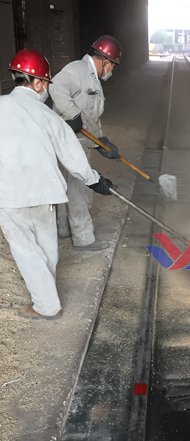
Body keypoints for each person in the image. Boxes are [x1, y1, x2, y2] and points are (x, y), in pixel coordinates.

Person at [0, 49, 114, 320]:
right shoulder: (50, 117)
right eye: (46, 83)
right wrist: (96, 180)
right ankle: (46, 299)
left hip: (10, 193)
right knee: (47, 247)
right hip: (46, 191)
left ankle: (46, 305)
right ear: (39, 83)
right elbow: (72, 155)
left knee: (26, 250)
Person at [49, 35, 121, 250]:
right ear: (106, 61)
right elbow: (55, 86)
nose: (112, 70)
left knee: (68, 186)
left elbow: (90, 116)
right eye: (113, 65)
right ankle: (83, 239)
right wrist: (71, 113)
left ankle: (64, 229)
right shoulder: (77, 69)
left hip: (79, 141)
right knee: (79, 188)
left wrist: (100, 141)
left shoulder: (93, 79)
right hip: (67, 140)